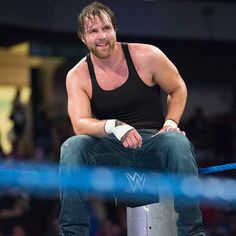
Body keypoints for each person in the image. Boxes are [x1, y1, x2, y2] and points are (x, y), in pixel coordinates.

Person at [59, 2, 205, 236]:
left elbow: (178, 88)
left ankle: (193, 233)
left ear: (115, 28)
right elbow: (80, 124)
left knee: (178, 143)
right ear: (82, 37)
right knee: (72, 146)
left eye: (106, 28)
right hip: (111, 148)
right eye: (93, 31)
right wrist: (115, 126)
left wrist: (171, 122)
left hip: (153, 142)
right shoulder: (78, 75)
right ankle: (72, 233)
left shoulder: (147, 55)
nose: (101, 36)